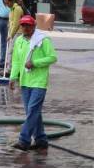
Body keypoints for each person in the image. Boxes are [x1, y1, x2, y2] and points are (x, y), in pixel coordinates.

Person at [8, 15, 57, 151]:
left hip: (39, 82)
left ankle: (24, 140)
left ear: (34, 26)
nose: (25, 28)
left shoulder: (43, 40)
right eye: (23, 25)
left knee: (33, 111)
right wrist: (13, 77)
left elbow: (53, 57)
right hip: (25, 81)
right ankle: (41, 139)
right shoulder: (19, 41)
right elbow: (16, 61)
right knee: (33, 112)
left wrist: (35, 63)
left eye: (28, 25)